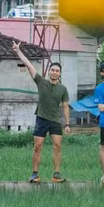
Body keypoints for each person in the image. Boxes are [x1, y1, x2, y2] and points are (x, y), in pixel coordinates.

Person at [12, 41, 70, 184]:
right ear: (49, 71)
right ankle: (34, 174)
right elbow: (29, 66)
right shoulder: (41, 82)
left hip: (55, 121)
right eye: (52, 70)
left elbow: (65, 106)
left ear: (60, 73)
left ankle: (56, 174)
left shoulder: (63, 89)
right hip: (42, 118)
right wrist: (18, 52)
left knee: (57, 146)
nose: (54, 72)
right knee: (38, 146)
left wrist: (67, 124)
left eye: (57, 70)